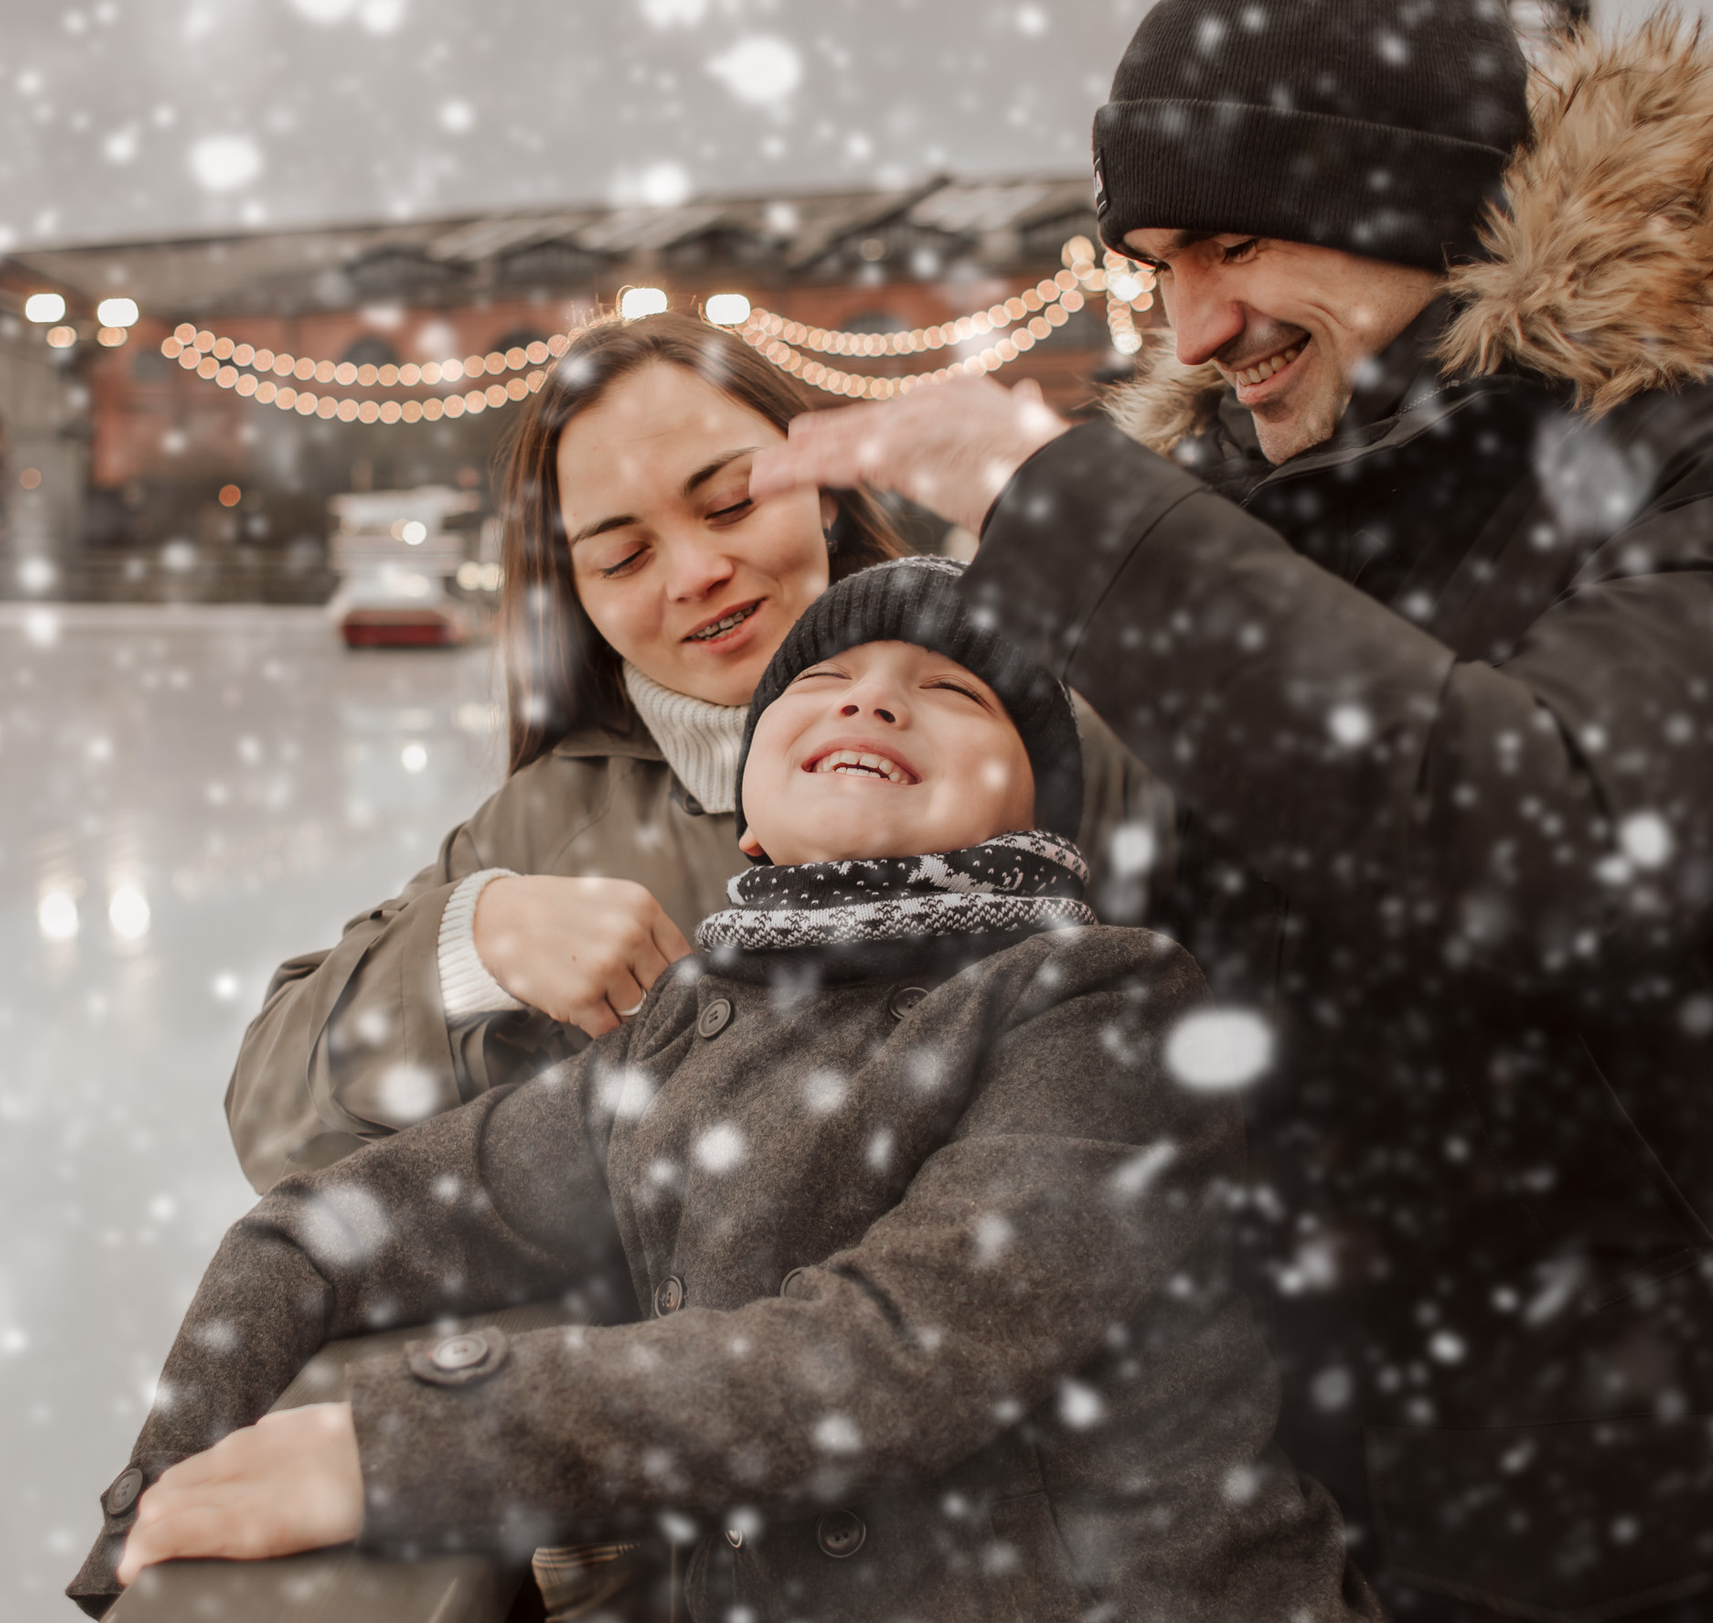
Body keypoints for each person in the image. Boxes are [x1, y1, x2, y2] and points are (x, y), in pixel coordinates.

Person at [748, 0, 1713, 1622]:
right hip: (1285, 1513)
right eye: (1157, 260)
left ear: (1417, 204)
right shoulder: (1227, 514)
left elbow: (1544, 835)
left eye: (1236, 242)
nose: (1195, 320)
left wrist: (1052, 499)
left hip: (1673, 1525)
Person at [70, 558, 1377, 1623]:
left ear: (1037, 808)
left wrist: (406, 1444)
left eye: (950, 690)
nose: (871, 700)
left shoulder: (1103, 1001)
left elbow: (892, 1356)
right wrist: (155, 1495)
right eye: (825, 678)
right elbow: (330, 1226)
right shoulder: (678, 1037)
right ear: (748, 813)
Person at [224, 314, 1169, 1191]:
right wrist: (473, 944)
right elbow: (275, 1124)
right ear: (579, 597)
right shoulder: (548, 826)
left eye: (728, 502)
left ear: (827, 496)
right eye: (623, 559)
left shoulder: (1065, 734)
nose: (695, 573)